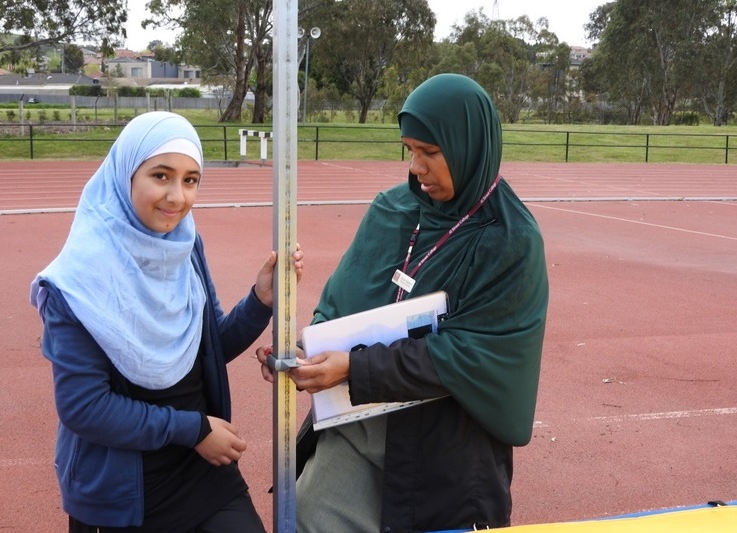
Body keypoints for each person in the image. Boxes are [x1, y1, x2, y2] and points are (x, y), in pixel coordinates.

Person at [258, 73, 549, 532]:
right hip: (356, 421)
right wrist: (307, 351)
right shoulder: (392, 209)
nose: (416, 167)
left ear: (468, 144)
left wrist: (354, 368)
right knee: (308, 516)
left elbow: (470, 355)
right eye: (410, 149)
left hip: (443, 447)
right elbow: (341, 297)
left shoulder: (510, 241)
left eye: (430, 152)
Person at [30, 111, 303, 532]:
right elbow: (84, 408)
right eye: (161, 176)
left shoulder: (185, 247)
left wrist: (260, 300)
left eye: (191, 180)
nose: (177, 196)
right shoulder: (76, 280)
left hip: (201, 469)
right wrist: (192, 429)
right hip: (124, 490)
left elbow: (207, 347)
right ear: (127, 176)